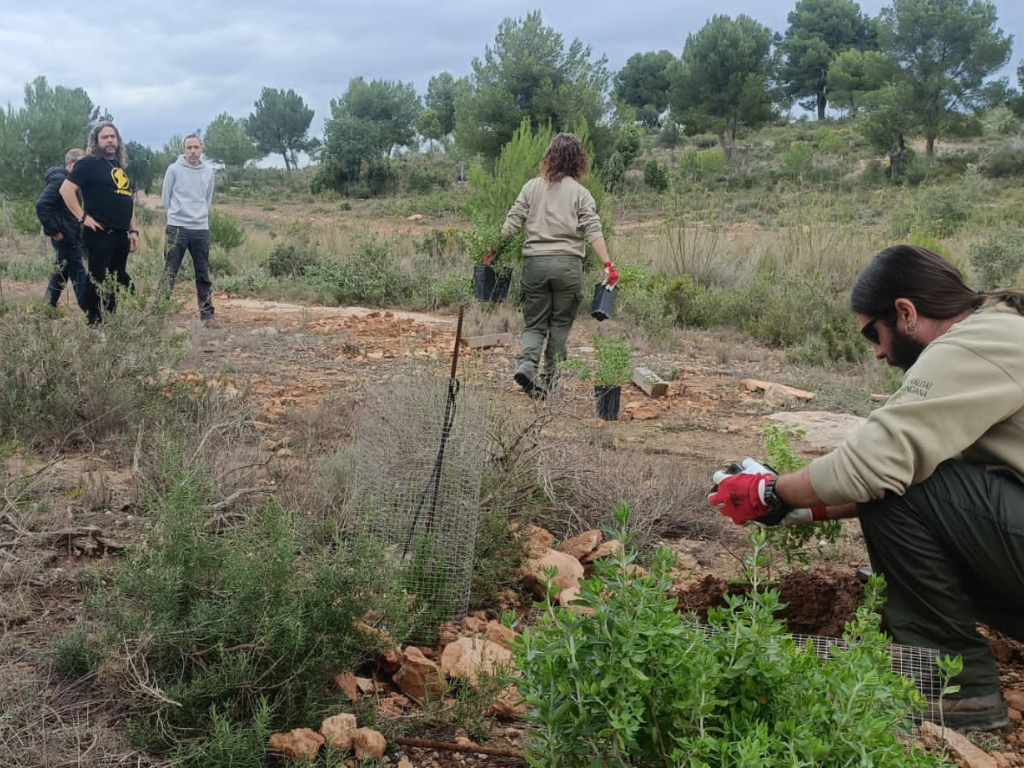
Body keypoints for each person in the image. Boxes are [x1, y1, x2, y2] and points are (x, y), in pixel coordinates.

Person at [709, 244, 1024, 731]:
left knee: (895, 487)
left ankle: (960, 691)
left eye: (872, 335)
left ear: (905, 313)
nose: (877, 351)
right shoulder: (998, 329)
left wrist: (768, 492)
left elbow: (879, 467)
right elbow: (936, 477)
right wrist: (807, 510)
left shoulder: (971, 346)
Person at [500, 133, 618, 398]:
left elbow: (512, 221)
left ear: (549, 157)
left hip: (535, 264)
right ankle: (551, 381)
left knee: (534, 324)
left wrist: (491, 250)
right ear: (578, 161)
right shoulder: (581, 193)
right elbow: (593, 230)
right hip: (568, 266)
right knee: (560, 325)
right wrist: (609, 265)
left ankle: (527, 366)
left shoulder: (531, 187)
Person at [59, 121, 138, 325]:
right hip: (100, 233)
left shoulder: (118, 167)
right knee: (97, 279)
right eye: (105, 137)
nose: (110, 140)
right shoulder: (88, 164)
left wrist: (133, 231)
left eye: (113, 137)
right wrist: (83, 217)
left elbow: (127, 199)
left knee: (114, 278)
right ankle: (94, 322)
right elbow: (66, 190)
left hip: (121, 234)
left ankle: (111, 320)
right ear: (96, 141)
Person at [160, 133, 218, 327]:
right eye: (189, 148)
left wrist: (199, 216)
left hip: (200, 228)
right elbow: (166, 197)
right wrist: (176, 217)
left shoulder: (208, 172)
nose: (193, 151)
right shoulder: (174, 169)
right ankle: (159, 314)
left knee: (203, 273)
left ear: (201, 149)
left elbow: (207, 200)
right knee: (170, 270)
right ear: (183, 150)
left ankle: (207, 315)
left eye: (196, 147)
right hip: (177, 227)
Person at [36, 148, 87, 310]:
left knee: (62, 272)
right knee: (78, 273)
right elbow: (42, 204)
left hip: (69, 233)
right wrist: (54, 230)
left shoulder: (70, 181)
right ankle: (91, 312)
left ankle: (47, 307)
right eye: (81, 163)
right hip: (64, 235)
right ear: (70, 163)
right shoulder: (60, 180)